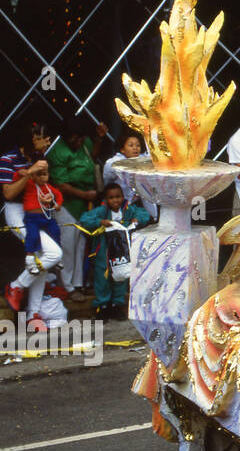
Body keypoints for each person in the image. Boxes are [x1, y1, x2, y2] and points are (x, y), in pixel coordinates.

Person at [45, 121, 107, 293]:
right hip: (66, 204)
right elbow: (61, 185)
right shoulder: (58, 151)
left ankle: (78, 283)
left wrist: (99, 139)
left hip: (84, 205)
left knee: (81, 245)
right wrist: (85, 195)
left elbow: (91, 156)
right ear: (66, 137)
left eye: (81, 138)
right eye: (75, 139)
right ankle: (67, 285)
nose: (79, 142)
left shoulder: (84, 142)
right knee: (68, 246)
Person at [5, 161, 68, 328]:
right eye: (42, 138)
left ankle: (33, 313)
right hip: (21, 213)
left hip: (42, 216)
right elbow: (8, 193)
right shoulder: (12, 158)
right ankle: (16, 285)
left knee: (45, 257)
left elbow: (57, 197)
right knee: (53, 253)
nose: (47, 141)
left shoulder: (42, 170)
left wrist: (53, 200)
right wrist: (30, 171)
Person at [82, 182, 150, 316]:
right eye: (111, 197)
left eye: (118, 196)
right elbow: (85, 219)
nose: (115, 200)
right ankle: (102, 306)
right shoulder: (102, 211)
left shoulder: (128, 209)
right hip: (104, 250)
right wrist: (100, 222)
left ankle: (117, 304)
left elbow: (144, 214)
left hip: (121, 250)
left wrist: (137, 219)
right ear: (106, 199)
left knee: (121, 274)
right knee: (103, 276)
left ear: (123, 197)